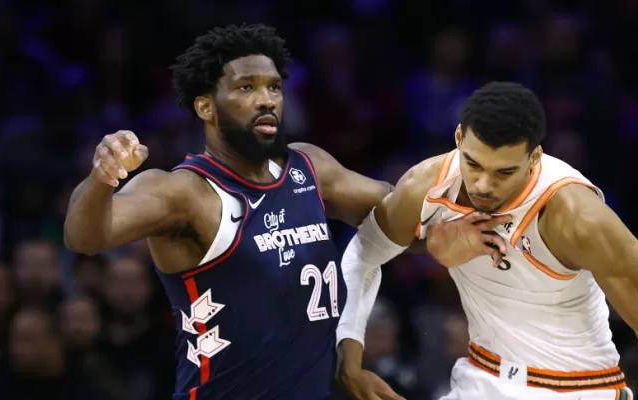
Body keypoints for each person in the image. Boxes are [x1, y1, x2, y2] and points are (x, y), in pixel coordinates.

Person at [63, 23, 420, 400]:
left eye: (275, 86)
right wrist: (102, 177)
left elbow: (403, 220)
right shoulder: (185, 192)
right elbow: (84, 236)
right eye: (247, 87)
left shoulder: (310, 168)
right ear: (205, 106)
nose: (267, 99)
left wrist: (471, 207)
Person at [335, 82, 638, 399]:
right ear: (458, 138)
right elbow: (363, 255)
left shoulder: (577, 217)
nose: (484, 184)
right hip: (480, 379)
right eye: (473, 164)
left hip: (578, 387)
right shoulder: (425, 187)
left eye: (503, 172)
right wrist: (349, 359)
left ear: (534, 158)